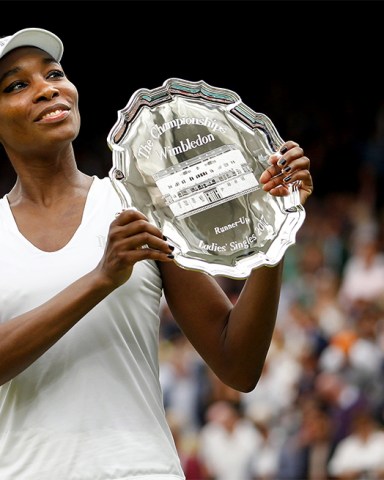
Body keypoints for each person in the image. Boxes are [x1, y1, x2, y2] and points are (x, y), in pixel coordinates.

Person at [0, 27, 313, 480]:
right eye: (16, 84)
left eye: (54, 73)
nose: (47, 88)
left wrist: (276, 229)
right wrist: (99, 280)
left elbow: (238, 363)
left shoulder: (135, 203)